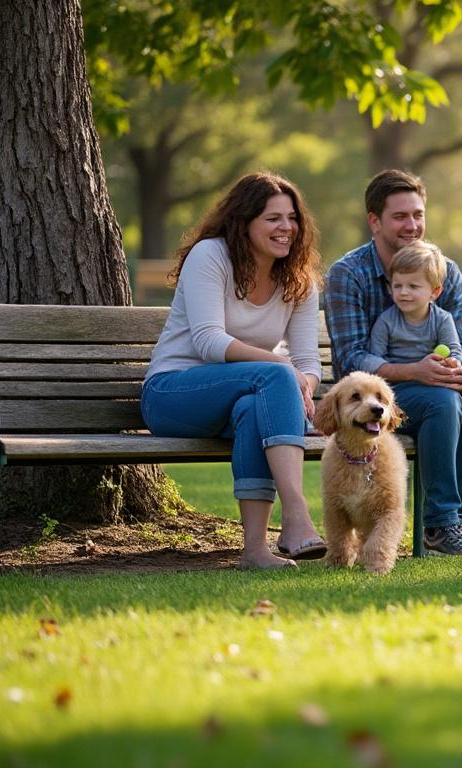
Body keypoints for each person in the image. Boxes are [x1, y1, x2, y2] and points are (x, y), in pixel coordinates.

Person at [140, 172, 326, 570]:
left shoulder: (299, 280)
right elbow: (207, 340)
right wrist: (282, 367)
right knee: (275, 376)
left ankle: (256, 551)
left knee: (255, 410)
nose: (286, 228)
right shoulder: (211, 255)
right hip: (171, 394)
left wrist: (303, 383)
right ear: (243, 222)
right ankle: (296, 516)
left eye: (292, 218)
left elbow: (309, 364)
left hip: (243, 397)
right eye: (273, 218)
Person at [325, 169, 462, 556]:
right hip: (376, 393)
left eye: (418, 215)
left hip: (437, 385)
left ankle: (447, 520)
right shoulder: (348, 274)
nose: (413, 225)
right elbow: (350, 359)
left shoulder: (445, 271)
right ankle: (442, 526)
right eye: (400, 216)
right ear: (374, 221)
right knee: (442, 403)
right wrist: (415, 372)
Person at [369, 241, 462, 366]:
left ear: (435, 291)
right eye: (397, 286)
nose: (403, 292)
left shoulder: (443, 319)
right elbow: (376, 358)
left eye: (413, 286)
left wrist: (452, 361)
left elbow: (454, 350)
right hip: (400, 382)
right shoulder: (386, 321)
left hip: (436, 377)